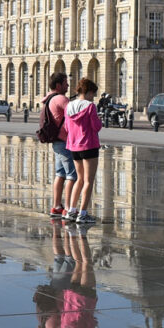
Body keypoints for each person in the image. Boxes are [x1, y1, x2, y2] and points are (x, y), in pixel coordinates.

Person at [64, 78, 102, 226]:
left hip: (73, 146)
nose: (93, 97)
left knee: (79, 179)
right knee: (88, 181)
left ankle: (72, 210)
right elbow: (96, 127)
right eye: (93, 93)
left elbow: (67, 128)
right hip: (89, 145)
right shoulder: (90, 106)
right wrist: (99, 121)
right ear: (88, 92)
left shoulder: (69, 106)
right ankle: (83, 214)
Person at [41, 72, 77, 220]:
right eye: (65, 83)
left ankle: (57, 206)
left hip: (57, 141)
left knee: (60, 174)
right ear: (58, 85)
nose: (68, 85)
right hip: (64, 141)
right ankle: (68, 209)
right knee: (72, 175)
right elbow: (75, 114)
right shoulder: (61, 99)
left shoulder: (49, 98)